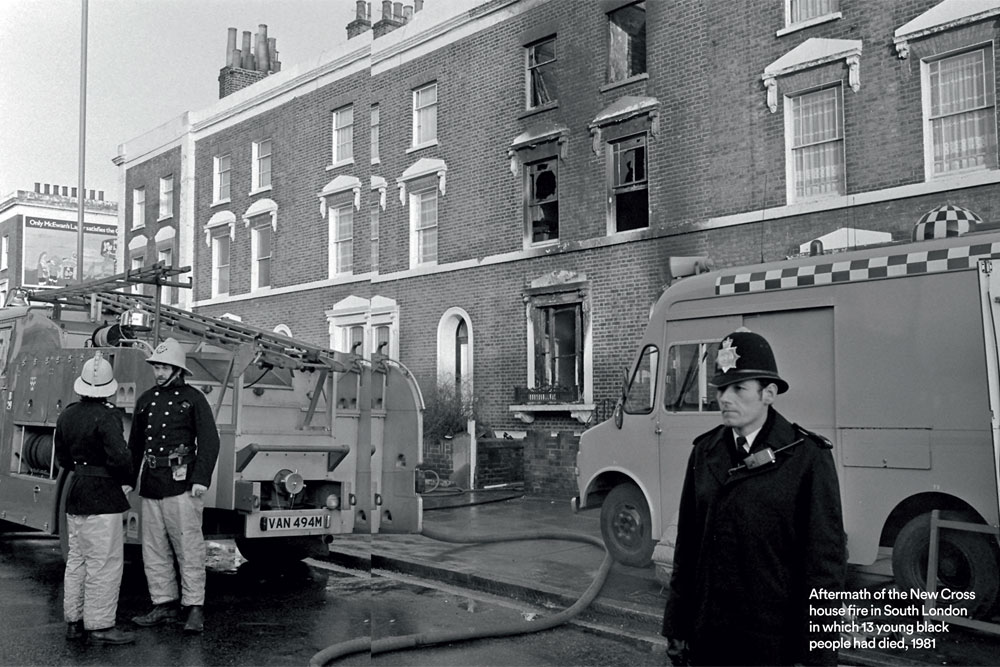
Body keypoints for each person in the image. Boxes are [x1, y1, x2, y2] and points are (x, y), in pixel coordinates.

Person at [661, 330, 846, 666]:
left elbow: (824, 568)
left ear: (769, 393)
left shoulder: (807, 458)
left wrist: (818, 653)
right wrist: (677, 624)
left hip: (772, 644)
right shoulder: (705, 452)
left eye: (738, 389)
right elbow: (687, 549)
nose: (725, 398)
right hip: (709, 638)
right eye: (721, 389)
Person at [129, 338, 220, 633]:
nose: (158, 372)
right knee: (154, 549)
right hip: (153, 482)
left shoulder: (194, 399)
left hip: (182, 484)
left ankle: (194, 607)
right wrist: (130, 480)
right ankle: (163, 604)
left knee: (188, 547)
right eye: (156, 366)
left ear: (177, 369)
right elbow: (136, 445)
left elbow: (209, 441)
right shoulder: (145, 399)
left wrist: (200, 480)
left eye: (163, 367)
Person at [55, 353, 136, 645]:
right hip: (104, 495)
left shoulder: (67, 414)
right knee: (104, 561)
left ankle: (74, 622)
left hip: (76, 491)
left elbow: (63, 457)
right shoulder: (109, 415)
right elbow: (120, 456)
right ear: (108, 387)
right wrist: (127, 480)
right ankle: (100, 625)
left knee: (77, 559)